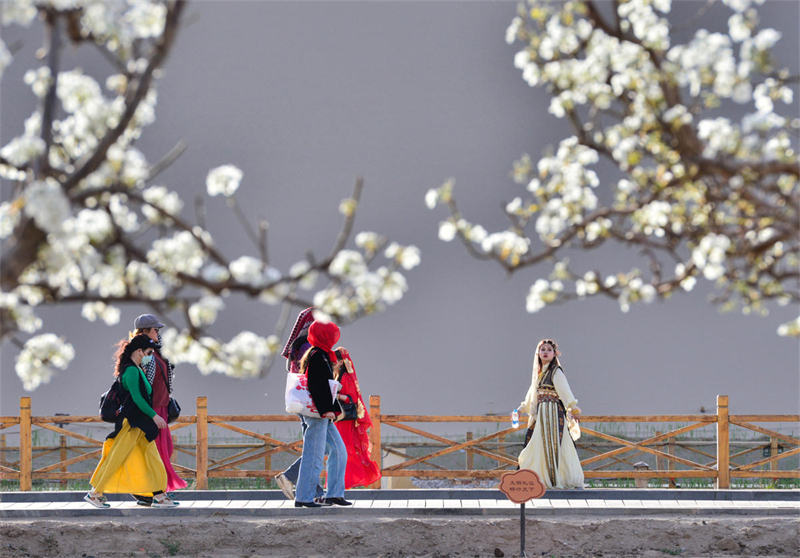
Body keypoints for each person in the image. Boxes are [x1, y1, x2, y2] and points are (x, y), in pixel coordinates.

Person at [85, 335, 178, 508]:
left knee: (151, 459)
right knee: (116, 459)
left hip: (141, 426)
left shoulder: (137, 369)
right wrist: (155, 416)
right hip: (132, 425)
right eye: (149, 352)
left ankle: (159, 496)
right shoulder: (131, 371)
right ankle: (95, 493)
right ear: (139, 351)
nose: (151, 355)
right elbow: (138, 399)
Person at [129, 314, 187, 506]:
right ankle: (155, 493)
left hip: (161, 407)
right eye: (155, 330)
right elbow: (140, 382)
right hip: (151, 409)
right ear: (144, 331)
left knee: (165, 448)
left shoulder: (159, 350)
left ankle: (148, 492)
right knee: (156, 451)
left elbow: (168, 373)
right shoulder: (142, 353)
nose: (158, 333)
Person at [293, 321, 351, 508]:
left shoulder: (322, 354)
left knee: (338, 450)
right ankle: (304, 497)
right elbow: (317, 386)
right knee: (314, 455)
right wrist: (327, 409)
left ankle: (334, 494)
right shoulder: (318, 356)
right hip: (319, 413)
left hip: (323, 412)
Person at [517, 339, 584, 489]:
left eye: (549, 349)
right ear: (538, 353)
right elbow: (532, 395)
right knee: (537, 445)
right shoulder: (540, 374)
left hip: (553, 413)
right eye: (543, 349)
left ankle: (557, 478)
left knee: (554, 445)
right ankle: (540, 478)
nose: (545, 352)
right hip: (542, 414)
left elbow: (565, 391)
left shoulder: (555, 372)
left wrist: (573, 408)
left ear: (554, 354)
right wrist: (520, 409)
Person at [274, 307, 325, 501]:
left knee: (314, 446)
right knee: (318, 447)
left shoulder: (296, 346)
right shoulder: (308, 347)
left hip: (301, 403)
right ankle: (290, 476)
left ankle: (317, 492)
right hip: (313, 403)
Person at [333, 348, 381, 488]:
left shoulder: (346, 378)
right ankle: (338, 485)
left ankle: (341, 484)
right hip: (340, 420)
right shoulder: (337, 376)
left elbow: (352, 399)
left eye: (334, 361)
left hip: (344, 421)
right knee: (340, 452)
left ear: (341, 362)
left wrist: (337, 395)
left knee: (344, 451)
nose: (331, 363)